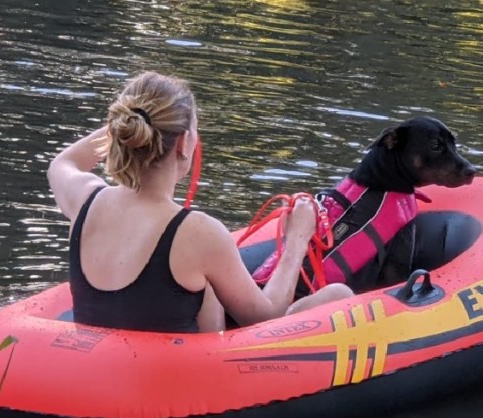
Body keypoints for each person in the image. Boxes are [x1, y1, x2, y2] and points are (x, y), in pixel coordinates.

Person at [47, 71, 353, 333]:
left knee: (202, 285)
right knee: (337, 295)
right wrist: (297, 239)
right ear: (183, 143)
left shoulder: (85, 199)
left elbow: (62, 163)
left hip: (95, 376)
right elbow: (265, 316)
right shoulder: (198, 233)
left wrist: (129, 123)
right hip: (176, 386)